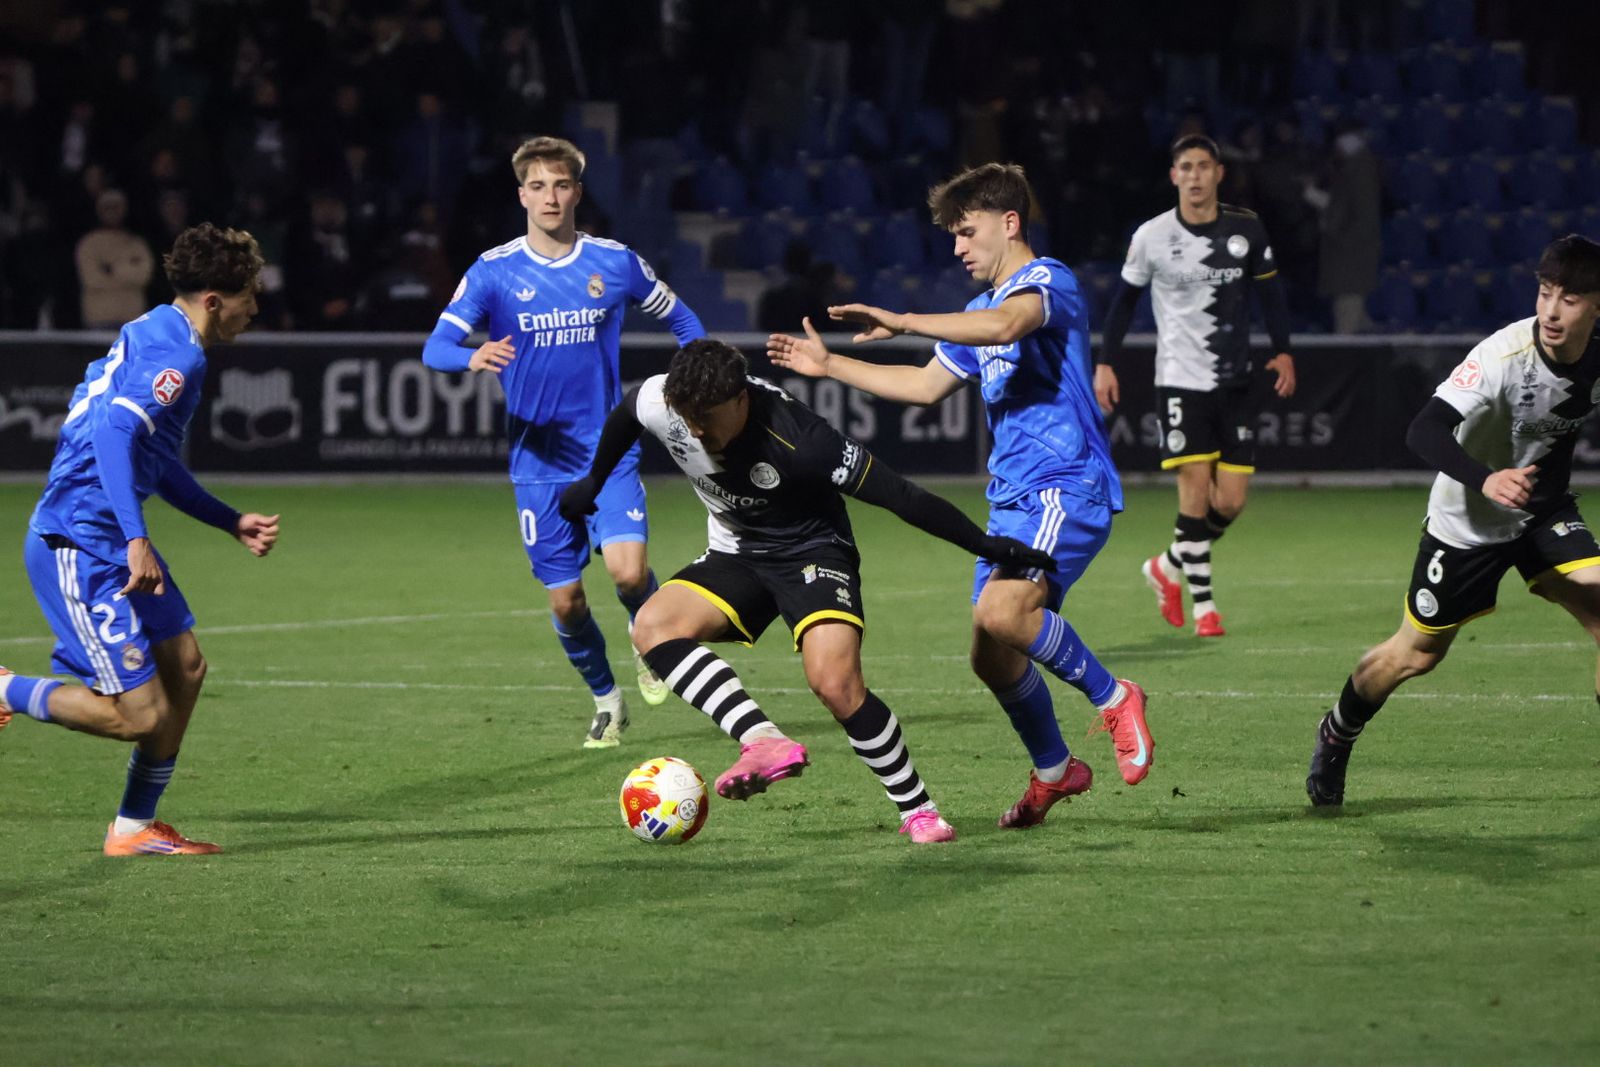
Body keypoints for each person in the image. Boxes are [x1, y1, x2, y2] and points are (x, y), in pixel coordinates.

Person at [767, 161, 1153, 829]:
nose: (957, 247)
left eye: (966, 232)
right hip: (1010, 504)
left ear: (1010, 223)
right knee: (989, 652)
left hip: (1064, 487)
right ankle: (1057, 771)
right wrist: (829, 365)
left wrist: (908, 317)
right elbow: (921, 387)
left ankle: (1116, 696)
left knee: (1005, 614)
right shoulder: (976, 312)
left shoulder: (1048, 282)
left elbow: (1010, 326)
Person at [560, 339, 1058, 843]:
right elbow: (628, 411)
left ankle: (919, 811)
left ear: (741, 399)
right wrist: (593, 482)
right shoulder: (668, 401)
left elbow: (901, 496)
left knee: (835, 685)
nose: (695, 429)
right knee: (652, 625)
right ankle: (763, 740)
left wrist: (987, 544)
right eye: (686, 417)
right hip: (738, 550)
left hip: (814, 551)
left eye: (707, 417)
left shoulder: (803, 440)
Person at [0, 223, 278, 856]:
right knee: (140, 716)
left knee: (186, 668)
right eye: (248, 296)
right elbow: (111, 437)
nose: (254, 309)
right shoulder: (177, 358)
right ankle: (5, 689)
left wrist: (227, 519)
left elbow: (150, 456)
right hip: (78, 541)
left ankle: (133, 828)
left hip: (108, 536)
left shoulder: (164, 327)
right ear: (214, 300)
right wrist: (136, 539)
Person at [422, 136, 705, 749]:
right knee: (568, 602)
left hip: (607, 450)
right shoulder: (493, 271)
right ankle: (607, 701)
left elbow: (685, 320)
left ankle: (647, 640)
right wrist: (473, 357)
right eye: (538, 186)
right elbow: (434, 348)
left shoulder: (615, 262)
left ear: (577, 191)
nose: (550, 196)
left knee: (630, 576)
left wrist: (697, 375)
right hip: (537, 463)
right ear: (521, 194)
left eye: (561, 184)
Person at [1307, 235, 1600, 806]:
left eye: (1568, 299)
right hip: (1467, 523)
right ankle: (1337, 732)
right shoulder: (1503, 356)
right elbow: (1423, 430)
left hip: (1542, 512)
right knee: (1415, 654)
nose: (1551, 311)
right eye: (1545, 294)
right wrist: (1487, 478)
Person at [1095, 134, 1297, 638]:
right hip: (1180, 381)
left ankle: (1166, 566)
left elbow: (1271, 294)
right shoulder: (1152, 236)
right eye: (1186, 167)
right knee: (1195, 491)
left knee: (1228, 501)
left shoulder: (1245, 229)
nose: (1196, 175)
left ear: (1218, 173)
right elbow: (1123, 303)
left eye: (1204, 166)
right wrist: (1106, 363)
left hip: (1237, 379)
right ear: (1174, 176)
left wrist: (1284, 349)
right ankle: (1206, 608)